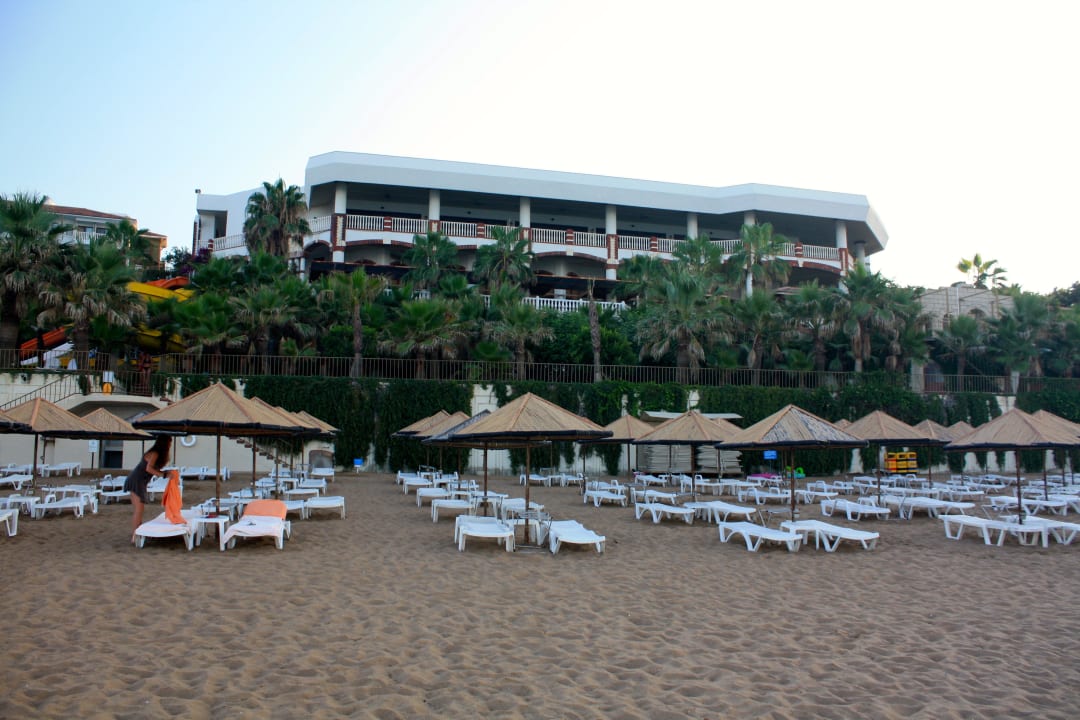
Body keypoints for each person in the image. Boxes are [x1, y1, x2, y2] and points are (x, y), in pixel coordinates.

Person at [124, 436, 172, 544]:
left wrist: (165, 472)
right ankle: (135, 535)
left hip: (141, 481)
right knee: (139, 510)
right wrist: (164, 475)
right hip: (136, 480)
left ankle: (139, 533)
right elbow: (149, 468)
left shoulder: (157, 454)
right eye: (169, 443)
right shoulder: (154, 453)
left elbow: (154, 469)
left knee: (140, 509)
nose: (170, 446)